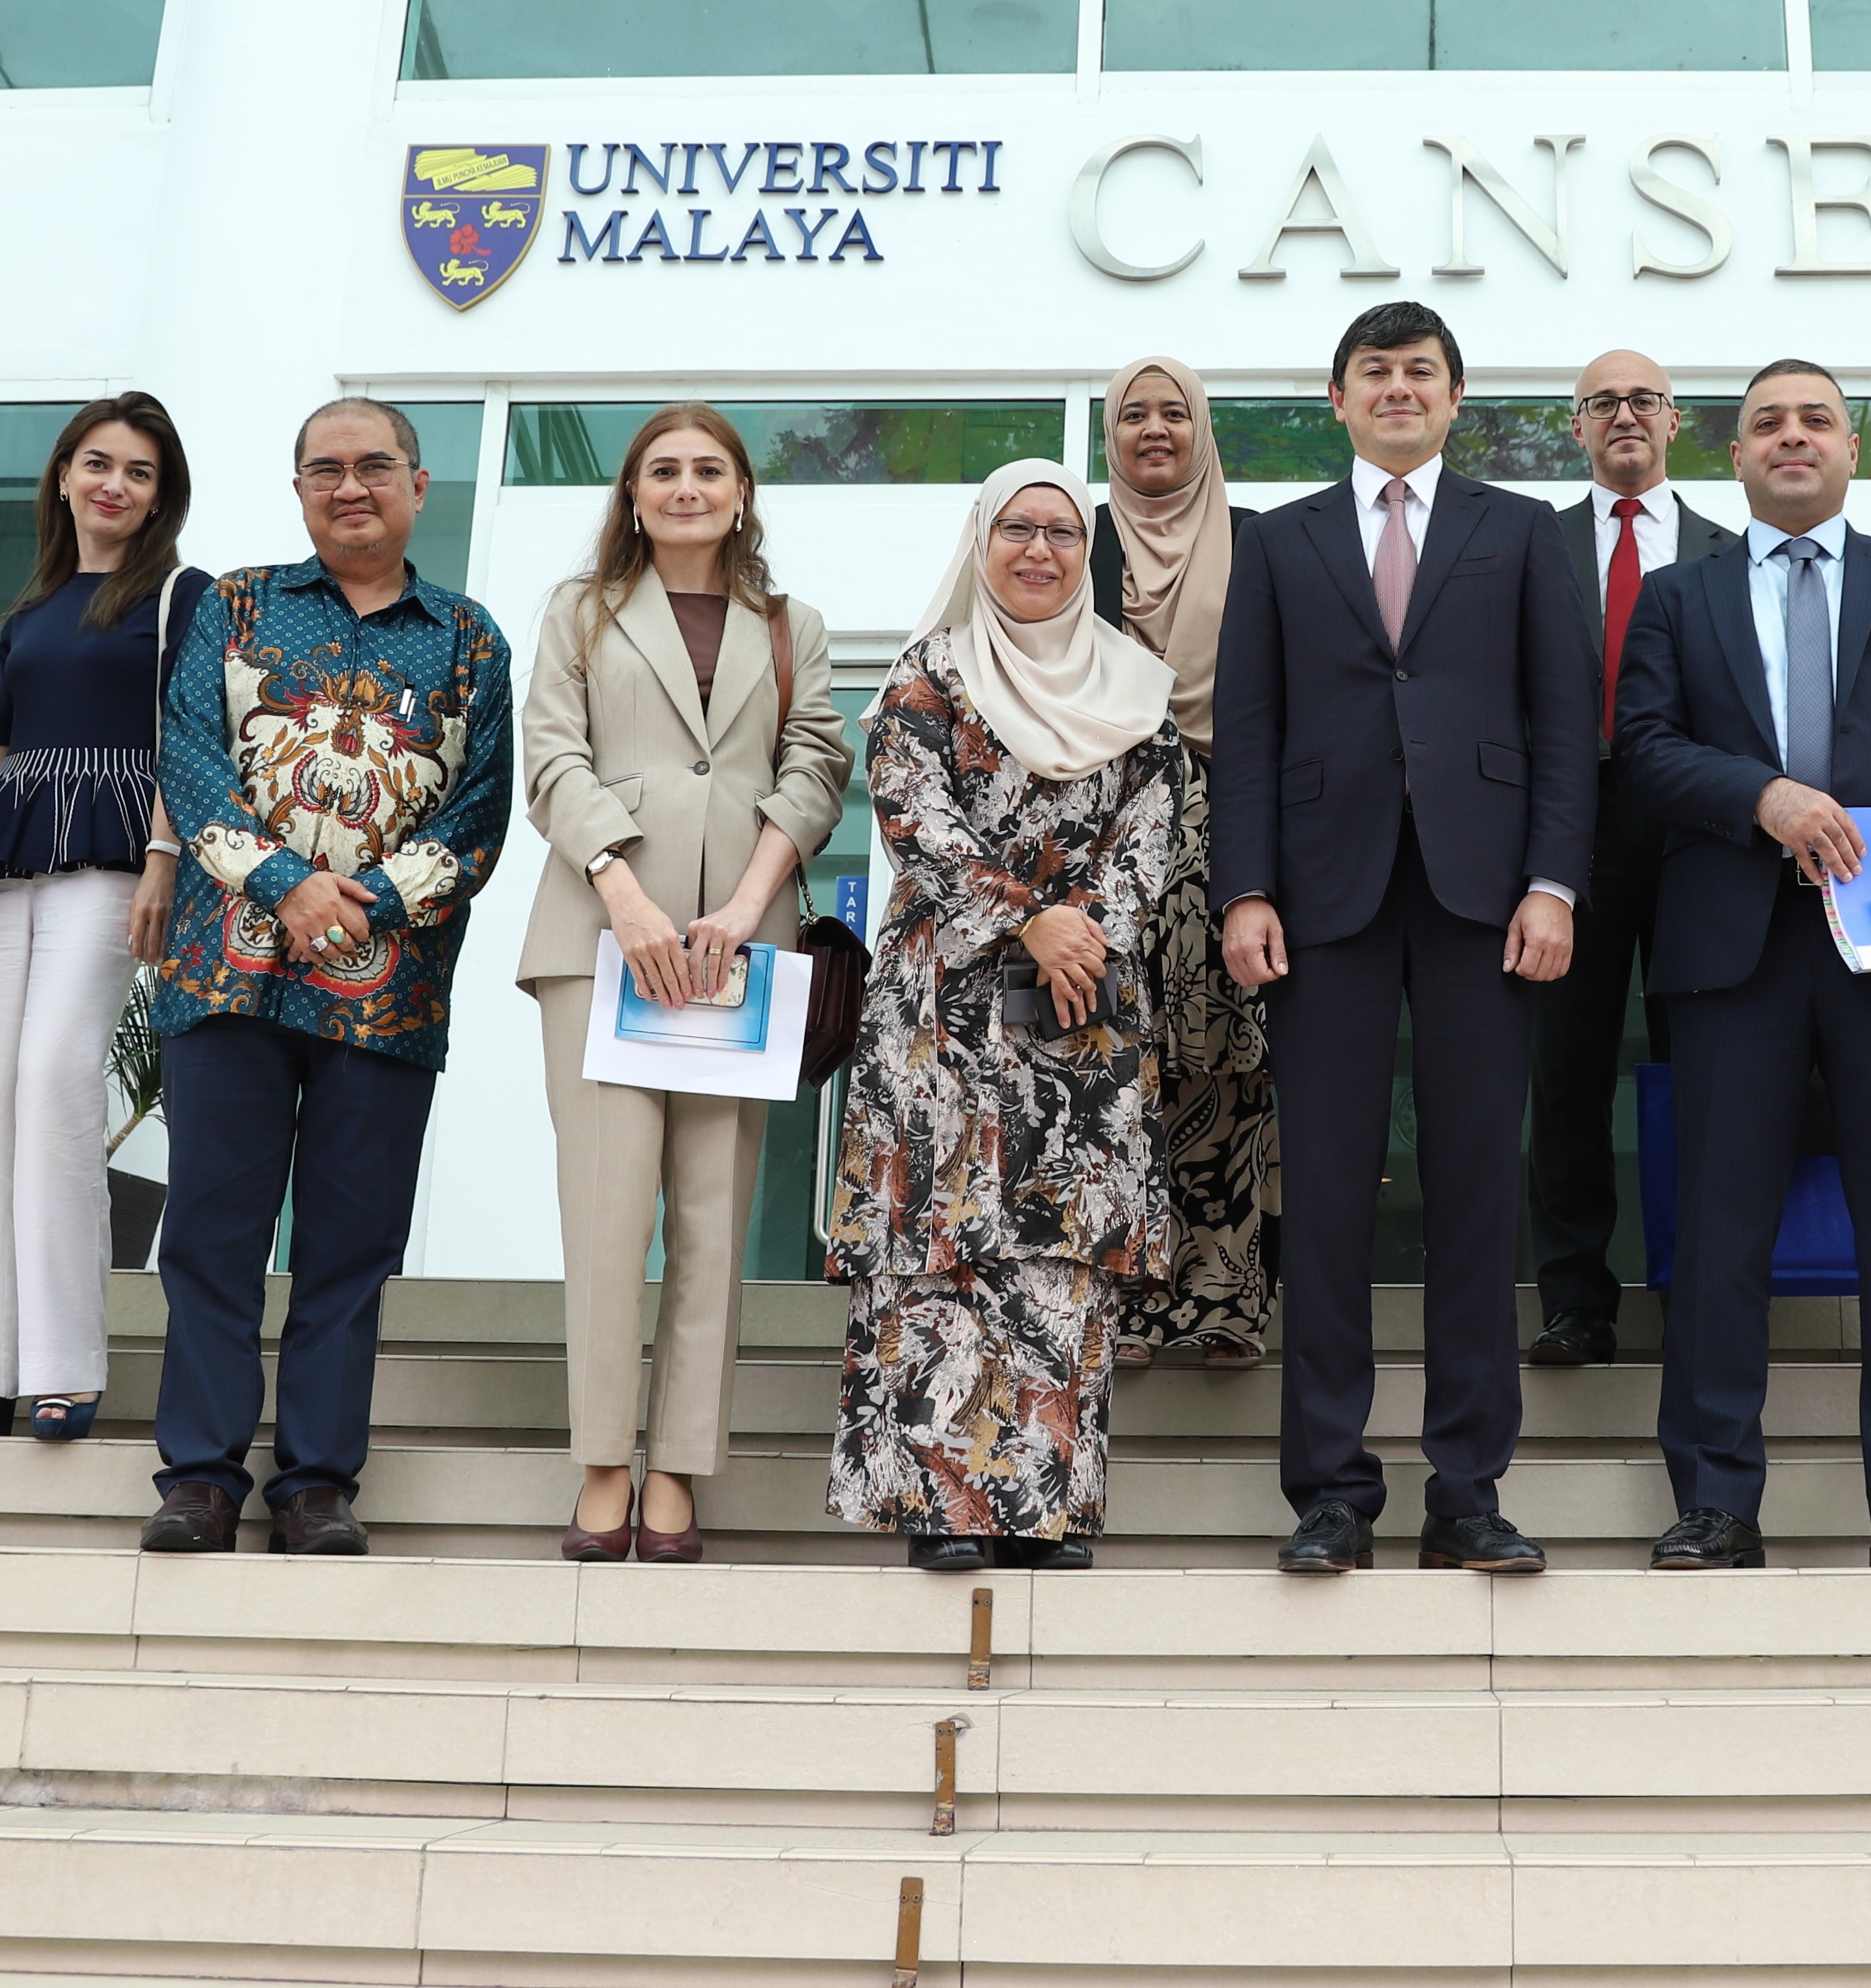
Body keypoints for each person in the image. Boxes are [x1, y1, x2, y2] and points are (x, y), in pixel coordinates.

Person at [1609, 358, 1871, 1570]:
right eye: (1767, 423)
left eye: (1817, 420)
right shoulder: (1678, 597)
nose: (1792, 436)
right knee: (1720, 1234)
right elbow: (1643, 749)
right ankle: (1715, 1501)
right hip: (1731, 951)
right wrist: (1765, 795)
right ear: (1734, 456)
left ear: (1853, 449)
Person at [1217, 300, 1598, 1577]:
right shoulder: (1278, 540)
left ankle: (1468, 1489)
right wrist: (1244, 889)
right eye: (1373, 371)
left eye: (1419, 370)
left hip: (1486, 900)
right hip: (1320, 901)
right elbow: (1248, 730)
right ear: (1337, 399)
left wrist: (1555, 883)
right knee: (1327, 1194)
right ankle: (1331, 1488)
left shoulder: (1524, 531)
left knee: (1478, 1192)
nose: (1397, 387)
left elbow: (1564, 723)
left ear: (1455, 395)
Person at [140, 397, 513, 1558]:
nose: (351, 486)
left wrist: (366, 902)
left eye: (375, 465)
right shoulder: (237, 605)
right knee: (212, 1232)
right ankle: (201, 1476)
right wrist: (286, 884)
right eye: (326, 469)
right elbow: (189, 760)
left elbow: (479, 816)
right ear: (299, 487)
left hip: (387, 992)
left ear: (419, 484)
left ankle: (314, 1483)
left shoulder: (471, 640)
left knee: (350, 1246)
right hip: (227, 974)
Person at [829, 460, 1185, 1572]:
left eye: (1063, 532)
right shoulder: (927, 674)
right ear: (981, 541)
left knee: (1062, 1247)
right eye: (1017, 528)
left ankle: (1045, 1509)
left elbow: (1156, 828)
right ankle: (942, 1506)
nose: (1039, 549)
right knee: (940, 1243)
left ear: (1088, 553)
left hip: (1083, 1000)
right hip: (943, 1002)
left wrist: (1085, 931)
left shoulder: (1137, 687)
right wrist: (1030, 918)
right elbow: (914, 815)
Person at [518, 404, 846, 1562]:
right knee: (609, 1214)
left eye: (711, 468)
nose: (688, 485)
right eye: (665, 468)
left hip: (734, 952)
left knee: (713, 1218)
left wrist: (749, 904)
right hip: (603, 939)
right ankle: (603, 1461)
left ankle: (677, 1469)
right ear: (634, 492)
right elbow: (551, 757)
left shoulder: (792, 624)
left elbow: (817, 763)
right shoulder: (580, 611)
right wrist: (624, 892)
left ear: (743, 491)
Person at [0, 392, 202, 1450]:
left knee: (54, 1078)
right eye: (98, 463)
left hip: (113, 846)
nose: (114, 485)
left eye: (139, 471)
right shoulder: (30, 611)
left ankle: (63, 1366)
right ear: (63, 475)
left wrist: (166, 857)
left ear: (161, 495)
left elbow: (191, 736)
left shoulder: (182, 595)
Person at [1524, 348, 1734, 1373]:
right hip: (1574, 831)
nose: (1624, 415)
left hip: (1700, 830)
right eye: (1602, 402)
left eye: (1643, 399)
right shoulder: (1533, 545)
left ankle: (1707, 1293)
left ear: (1674, 420)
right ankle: (1577, 1303)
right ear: (1577, 425)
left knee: (1713, 1069)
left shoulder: (1731, 550)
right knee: (1568, 1073)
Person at [1086, 356, 1275, 1371]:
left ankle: (1225, 1301)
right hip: (1101, 832)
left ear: (1203, 430)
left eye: (1174, 413)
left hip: (1233, 825)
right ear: (1109, 435)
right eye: (1133, 414)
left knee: (1229, 1064)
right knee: (1109, 1064)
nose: (1154, 429)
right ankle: (1119, 1301)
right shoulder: (1073, 537)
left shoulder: (1260, 540)